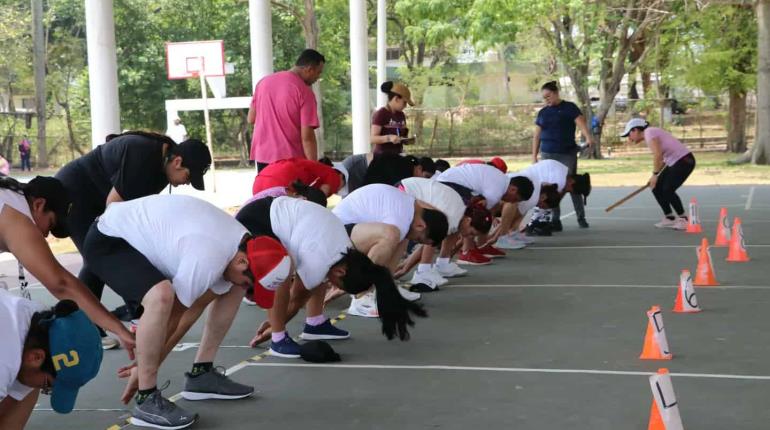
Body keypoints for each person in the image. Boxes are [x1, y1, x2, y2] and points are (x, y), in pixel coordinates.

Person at [82, 194, 290, 429]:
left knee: (232, 289)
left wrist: (151, 360)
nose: (248, 290)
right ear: (242, 262)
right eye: (250, 284)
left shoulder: (240, 248)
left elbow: (193, 308)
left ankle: (202, 373)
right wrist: (145, 366)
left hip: (138, 236)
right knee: (162, 297)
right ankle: (145, 398)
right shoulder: (209, 257)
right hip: (110, 239)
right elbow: (174, 316)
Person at [55, 131, 211, 349]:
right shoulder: (143, 157)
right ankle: (79, 328)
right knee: (96, 258)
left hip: (98, 198)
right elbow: (114, 209)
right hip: (76, 194)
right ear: (177, 161)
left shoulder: (162, 168)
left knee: (109, 255)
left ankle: (134, 313)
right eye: (189, 176)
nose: (187, 183)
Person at [236, 196, 427, 353]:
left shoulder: (343, 251)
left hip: (282, 216)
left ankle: (314, 324)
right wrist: (272, 327)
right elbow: (295, 300)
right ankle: (278, 340)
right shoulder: (320, 257)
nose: (334, 287)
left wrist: (275, 319)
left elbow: (315, 282)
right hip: (258, 219)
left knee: (318, 276)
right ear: (342, 271)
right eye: (339, 285)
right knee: (280, 273)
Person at [0, 176, 135, 358]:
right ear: (39, 205)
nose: (46, 235)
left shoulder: (8, 197)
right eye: (50, 224)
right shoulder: (15, 214)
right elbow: (61, 283)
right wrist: (119, 329)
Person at [0, 293, 102, 429]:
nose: (44, 390)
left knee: (31, 384)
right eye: (47, 386)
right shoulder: (5, 363)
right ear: (36, 357)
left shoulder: (40, 322)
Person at [436, 163, 534, 265]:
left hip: (452, 180)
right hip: (450, 183)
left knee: (468, 219)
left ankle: (475, 248)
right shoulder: (496, 191)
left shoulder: (502, 182)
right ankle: (466, 252)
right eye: (516, 199)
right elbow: (476, 219)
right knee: (466, 220)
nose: (513, 202)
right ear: (513, 189)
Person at [248, 49, 325, 171]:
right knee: (289, 190)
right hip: (290, 160)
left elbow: (251, 118)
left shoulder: (263, 83)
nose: (318, 78)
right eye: (318, 73)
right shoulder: (305, 92)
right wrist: (313, 168)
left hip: (263, 156)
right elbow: (307, 137)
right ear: (309, 69)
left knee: (268, 190)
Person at [532, 80, 594, 230]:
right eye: (544, 97)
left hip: (566, 153)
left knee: (571, 185)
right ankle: (555, 220)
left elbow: (580, 122)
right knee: (551, 188)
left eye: (548, 96)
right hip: (547, 153)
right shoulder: (543, 112)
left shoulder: (569, 107)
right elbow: (537, 135)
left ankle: (581, 217)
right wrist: (534, 156)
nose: (546, 100)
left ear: (556, 93)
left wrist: (588, 137)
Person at [621, 118, 696, 230]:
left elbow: (658, 155)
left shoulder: (649, 132)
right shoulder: (649, 134)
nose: (629, 138)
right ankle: (670, 218)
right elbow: (662, 159)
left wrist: (655, 175)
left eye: (629, 134)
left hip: (684, 161)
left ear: (635, 130)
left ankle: (683, 219)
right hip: (674, 162)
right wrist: (654, 177)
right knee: (655, 186)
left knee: (667, 189)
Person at [251, 157, 345, 197]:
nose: (338, 191)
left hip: (260, 181)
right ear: (340, 175)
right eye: (343, 185)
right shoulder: (334, 175)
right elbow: (318, 202)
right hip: (281, 184)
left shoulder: (309, 166)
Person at [371, 82, 415, 156]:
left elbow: (402, 135)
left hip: (397, 155)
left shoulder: (401, 115)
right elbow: (372, 138)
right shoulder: (381, 113)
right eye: (404, 103)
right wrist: (389, 138)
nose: (405, 106)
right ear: (396, 99)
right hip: (382, 157)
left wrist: (406, 140)